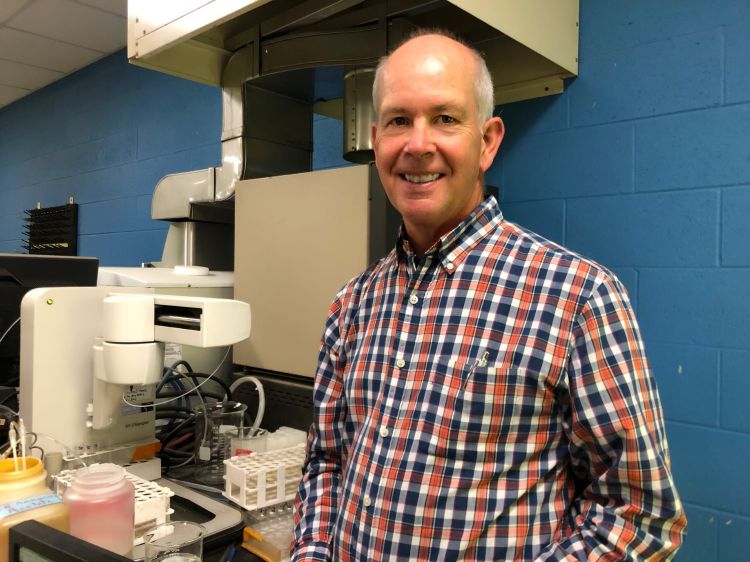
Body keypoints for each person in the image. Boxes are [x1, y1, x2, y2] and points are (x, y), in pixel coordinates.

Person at [292, 30, 686, 561]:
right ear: (376, 138)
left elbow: (640, 518)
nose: (417, 143)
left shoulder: (578, 298)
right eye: (398, 120)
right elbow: (326, 464)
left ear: (488, 141)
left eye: (446, 118)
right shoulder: (352, 305)